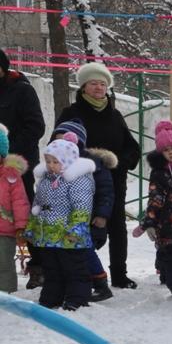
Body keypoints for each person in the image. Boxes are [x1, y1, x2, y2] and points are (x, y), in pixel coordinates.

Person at [57, 62, 141, 289]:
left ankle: (120, 275)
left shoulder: (115, 115)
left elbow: (132, 148)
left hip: (113, 182)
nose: (98, 88)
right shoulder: (71, 113)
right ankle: (85, 274)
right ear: (84, 87)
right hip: (81, 182)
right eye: (93, 83)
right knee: (82, 226)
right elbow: (59, 145)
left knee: (116, 227)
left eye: (103, 84)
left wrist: (119, 163)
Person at [24, 139, 95, 310]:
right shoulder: (46, 180)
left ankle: (77, 298)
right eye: (48, 161)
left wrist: (76, 229)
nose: (50, 165)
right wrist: (32, 228)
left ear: (68, 161)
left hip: (69, 235)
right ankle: (51, 297)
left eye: (56, 161)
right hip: (49, 234)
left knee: (73, 268)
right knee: (52, 267)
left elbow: (82, 206)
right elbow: (37, 205)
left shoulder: (78, 180)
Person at [52, 119, 117, 302]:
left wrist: (102, 214)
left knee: (85, 251)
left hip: (88, 218)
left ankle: (100, 284)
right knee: (69, 253)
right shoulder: (55, 164)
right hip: (63, 219)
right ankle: (76, 284)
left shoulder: (92, 164)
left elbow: (106, 191)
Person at [0, 49, 46, 288]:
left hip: (19, 166)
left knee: (24, 214)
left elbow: (36, 126)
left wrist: (7, 151)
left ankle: (38, 266)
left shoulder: (22, 90)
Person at [139, 120, 172, 299]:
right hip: (168, 222)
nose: (170, 152)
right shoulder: (159, 173)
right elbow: (155, 198)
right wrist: (150, 221)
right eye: (166, 149)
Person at [0, 124, 31, 292]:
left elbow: (20, 201)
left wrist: (21, 227)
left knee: (4, 264)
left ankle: (6, 295)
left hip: (4, 231)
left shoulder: (10, 175)